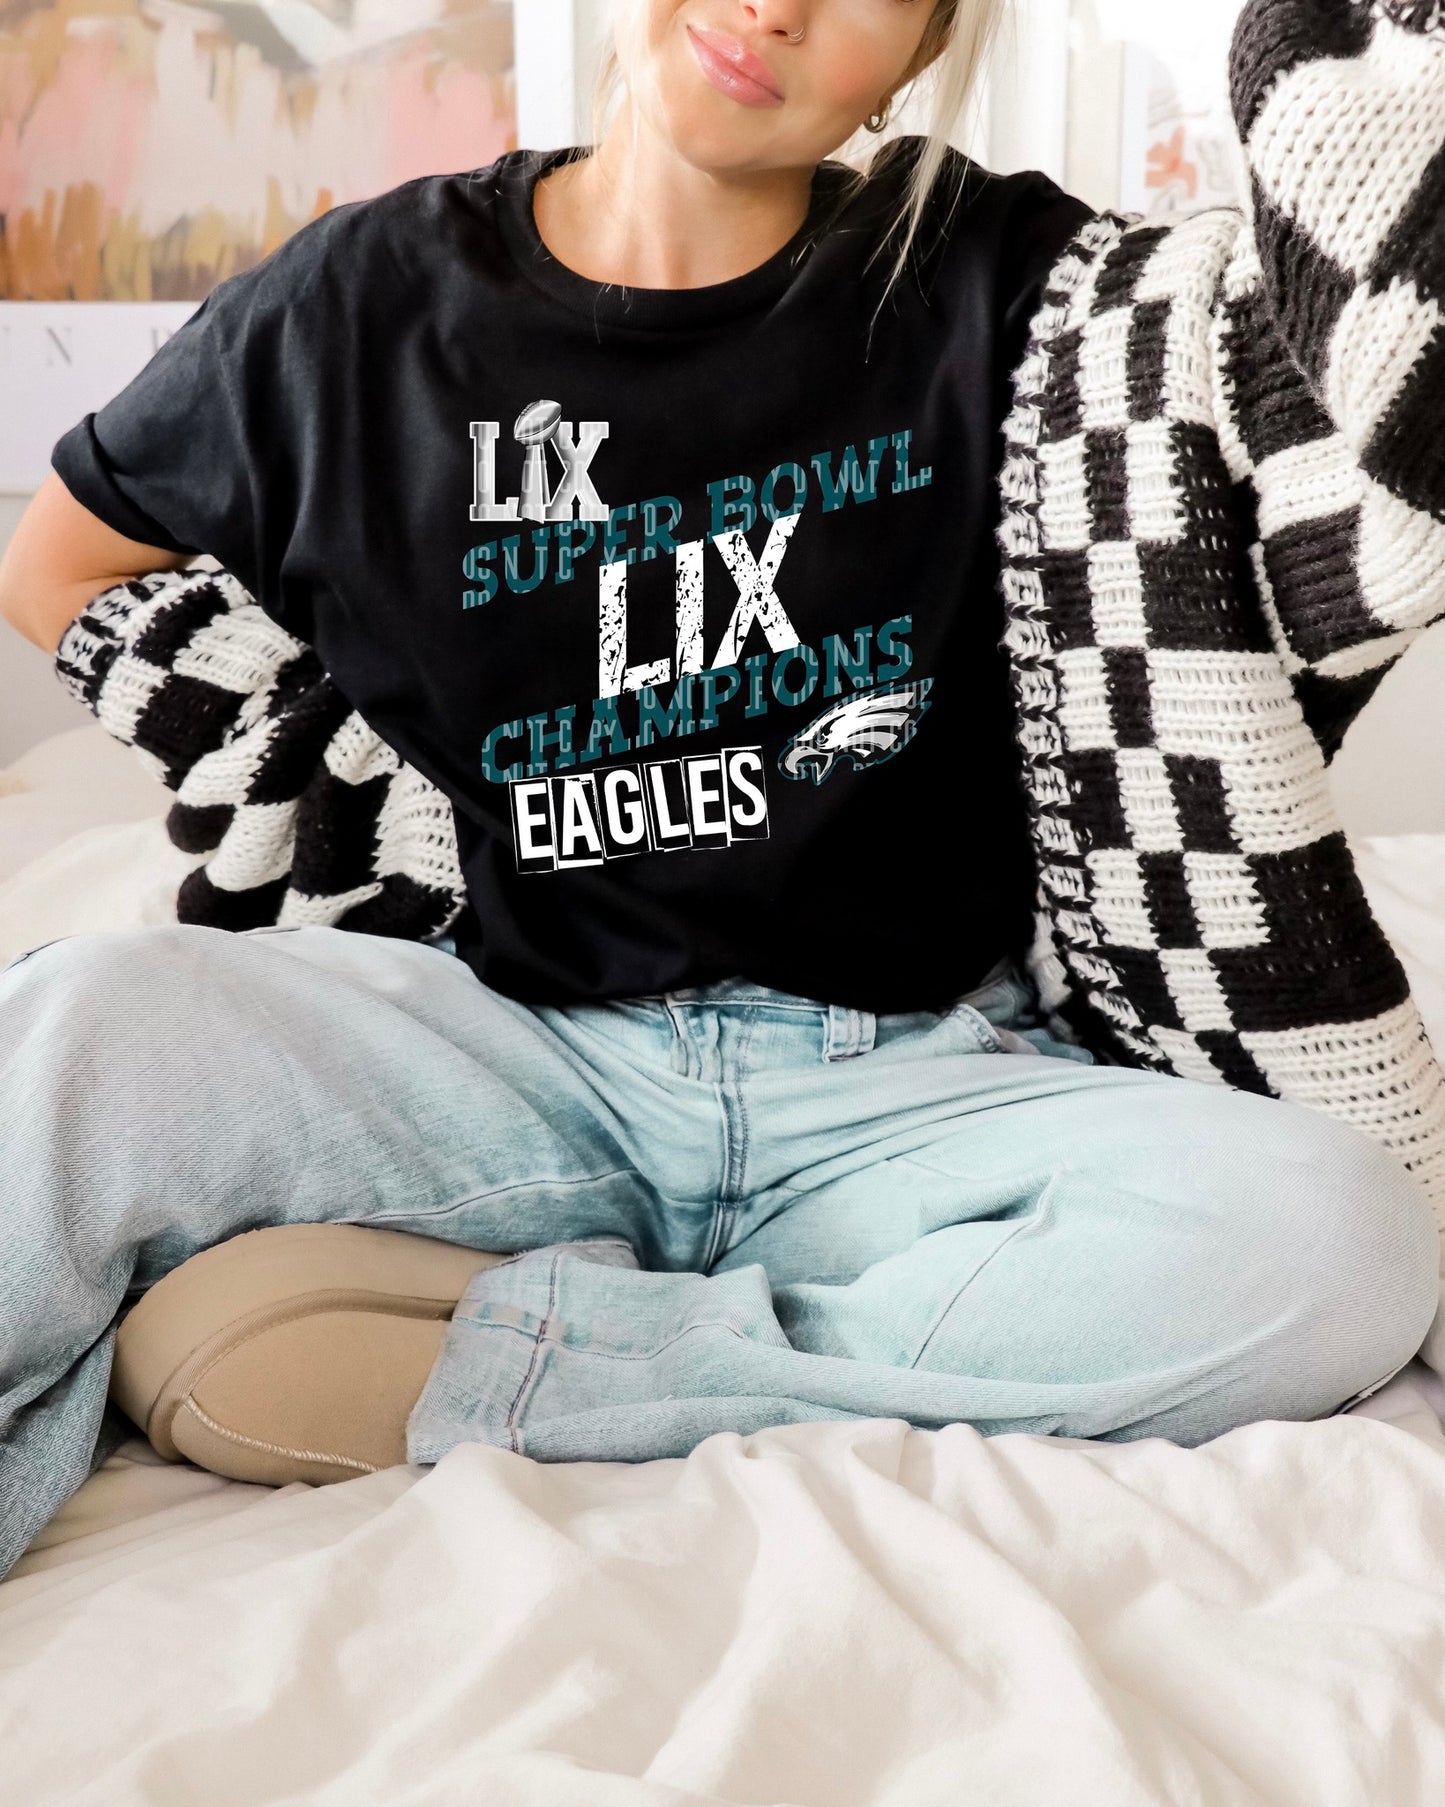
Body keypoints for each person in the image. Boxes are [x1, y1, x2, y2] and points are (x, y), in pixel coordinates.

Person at [0, 0, 1439, 1585]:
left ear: (916, 56)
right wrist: (332, 775)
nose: (777, 5)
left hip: (912, 1093)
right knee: (75, 1026)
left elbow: (1339, 448)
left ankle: (555, 1360)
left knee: (1342, 1244)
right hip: (515, 1055)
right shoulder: (360, 306)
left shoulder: (1031, 290)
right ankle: (751, 1337)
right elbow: (58, 563)